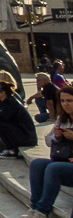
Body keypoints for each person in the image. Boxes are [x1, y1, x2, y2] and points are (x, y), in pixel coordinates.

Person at [23, 85, 73, 218]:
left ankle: (42, 211)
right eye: (62, 101)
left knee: (53, 168)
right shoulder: (62, 119)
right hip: (64, 159)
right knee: (37, 164)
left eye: (69, 101)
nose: (65, 104)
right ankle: (34, 208)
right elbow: (47, 141)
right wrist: (56, 137)